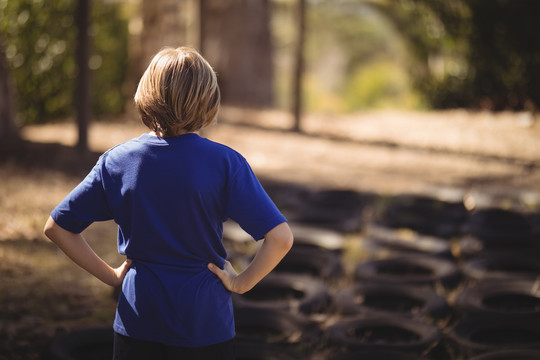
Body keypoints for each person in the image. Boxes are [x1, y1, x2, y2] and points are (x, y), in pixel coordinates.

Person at [43, 46, 293, 360]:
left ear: (146, 94)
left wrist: (110, 275)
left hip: (138, 320)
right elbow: (281, 238)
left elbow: (57, 227)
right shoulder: (226, 163)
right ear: (208, 99)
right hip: (205, 325)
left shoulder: (117, 161)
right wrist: (241, 283)